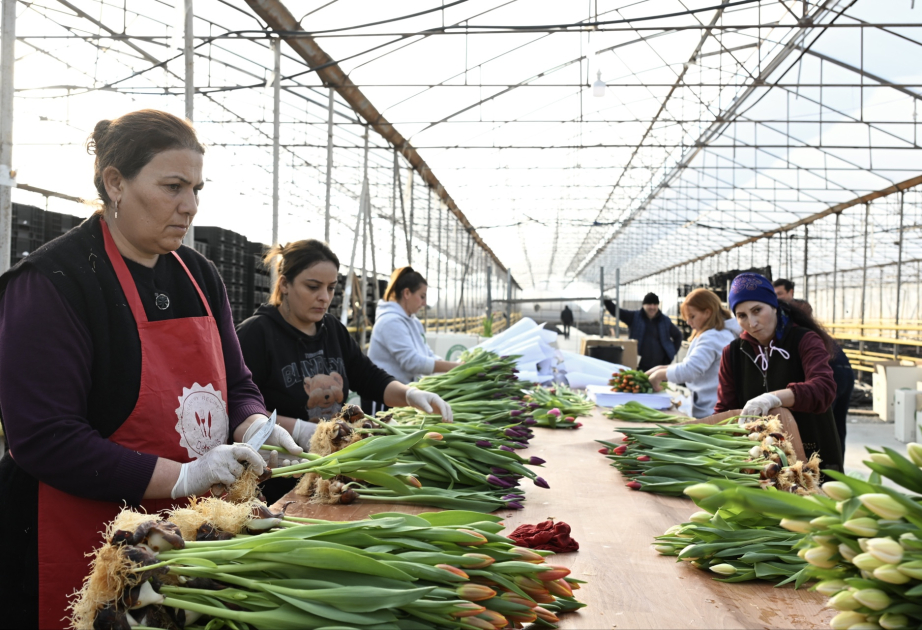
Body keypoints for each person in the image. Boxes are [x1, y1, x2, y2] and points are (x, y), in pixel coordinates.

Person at [0, 110, 301, 629]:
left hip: (186, 540)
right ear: (115, 182)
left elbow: (239, 383)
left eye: (197, 188)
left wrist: (254, 422)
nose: (190, 207)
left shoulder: (199, 272)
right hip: (85, 540)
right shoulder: (54, 282)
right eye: (172, 187)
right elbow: (46, 438)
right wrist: (186, 474)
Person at [236, 243, 453, 502]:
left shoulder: (333, 331)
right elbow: (239, 408)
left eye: (331, 288)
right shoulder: (256, 335)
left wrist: (410, 394)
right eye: (313, 287)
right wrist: (300, 432)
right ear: (284, 284)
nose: (324, 297)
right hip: (281, 480)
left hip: (333, 475)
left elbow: (369, 377)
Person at [715, 273, 843, 471]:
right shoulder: (733, 353)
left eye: (757, 310)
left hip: (812, 456)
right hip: (761, 462)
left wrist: (773, 398)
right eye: (742, 315)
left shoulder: (804, 339)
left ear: (773, 305)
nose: (752, 322)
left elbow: (823, 389)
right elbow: (725, 410)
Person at [367, 267, 461, 410]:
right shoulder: (390, 322)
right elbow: (412, 362)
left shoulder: (414, 322)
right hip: (385, 399)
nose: (424, 303)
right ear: (406, 293)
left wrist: (453, 366)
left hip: (406, 395)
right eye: (422, 296)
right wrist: (455, 367)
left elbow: (426, 353)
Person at [645, 289, 741, 418]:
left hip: (711, 412)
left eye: (692, 316)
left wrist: (659, 375)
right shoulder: (720, 333)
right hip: (713, 407)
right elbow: (693, 364)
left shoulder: (713, 337)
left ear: (707, 312)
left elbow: (690, 369)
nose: (688, 322)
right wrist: (660, 368)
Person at [786, 298, 853, 455]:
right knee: (837, 425)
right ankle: (836, 467)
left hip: (833, 377)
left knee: (823, 426)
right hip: (846, 373)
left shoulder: (804, 336)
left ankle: (825, 464)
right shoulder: (819, 333)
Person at [603, 292, 683, 371]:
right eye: (649, 304)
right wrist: (607, 302)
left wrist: (671, 354)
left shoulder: (665, 321)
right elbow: (619, 313)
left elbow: (678, 335)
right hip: (639, 365)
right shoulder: (635, 317)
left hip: (660, 366)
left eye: (655, 304)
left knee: (659, 384)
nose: (652, 307)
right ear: (643, 305)